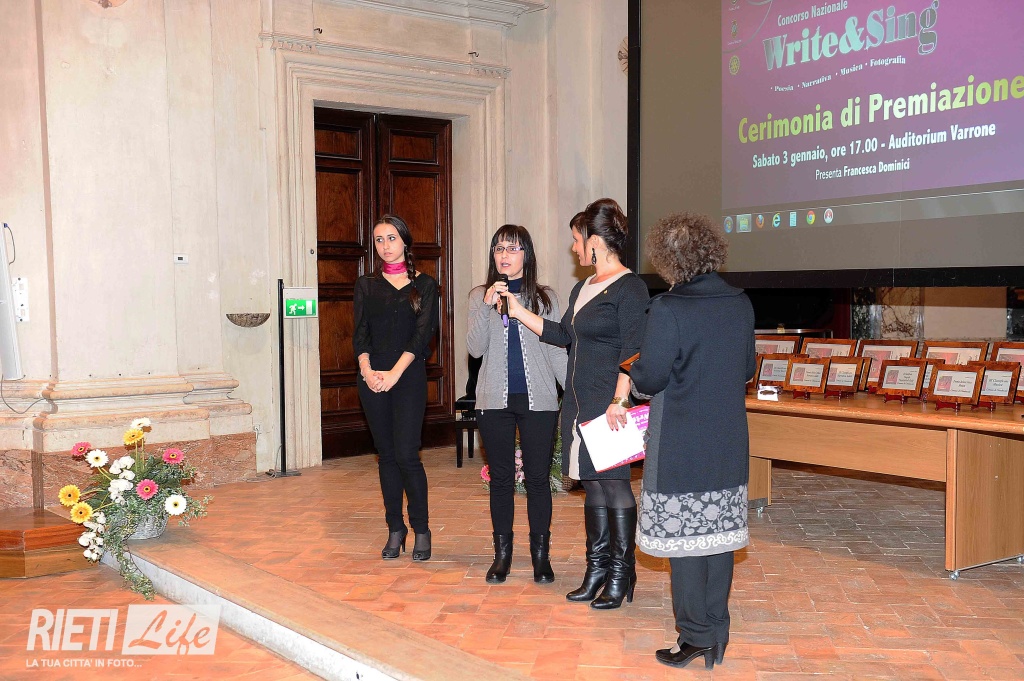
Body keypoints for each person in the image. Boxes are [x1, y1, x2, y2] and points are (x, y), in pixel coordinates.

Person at [503, 198, 649, 609]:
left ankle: (622, 573)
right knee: (593, 487)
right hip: (579, 405)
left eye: (576, 240)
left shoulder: (630, 287)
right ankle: (596, 570)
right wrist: (518, 312)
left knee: (615, 485)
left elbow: (634, 349)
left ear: (595, 241)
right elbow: (564, 335)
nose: (573, 248)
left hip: (610, 405)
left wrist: (620, 399)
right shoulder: (582, 287)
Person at [629, 212, 755, 670]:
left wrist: (634, 372)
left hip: (681, 440)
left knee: (686, 542)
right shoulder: (740, 303)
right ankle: (717, 630)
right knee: (719, 537)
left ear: (667, 260)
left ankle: (695, 635)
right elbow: (746, 368)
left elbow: (650, 376)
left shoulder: (669, 308)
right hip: (727, 437)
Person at [468, 225, 567, 584]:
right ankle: (502, 556)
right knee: (501, 480)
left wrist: (576, 391)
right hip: (493, 401)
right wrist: (486, 306)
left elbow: (556, 350)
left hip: (539, 400)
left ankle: (541, 557)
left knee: (538, 479)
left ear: (527, 254)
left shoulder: (545, 297)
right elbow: (475, 348)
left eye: (512, 248)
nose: (504, 255)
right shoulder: (480, 295)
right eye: (499, 248)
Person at [353, 214, 440, 562]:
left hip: (407, 378)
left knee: (406, 455)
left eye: (391, 238)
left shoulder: (426, 284)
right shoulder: (366, 285)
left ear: (404, 241)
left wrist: (393, 374)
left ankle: (422, 528)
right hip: (372, 379)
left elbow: (422, 337)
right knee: (386, 455)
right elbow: (360, 333)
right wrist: (367, 371)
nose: (385, 245)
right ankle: (395, 527)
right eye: (379, 239)